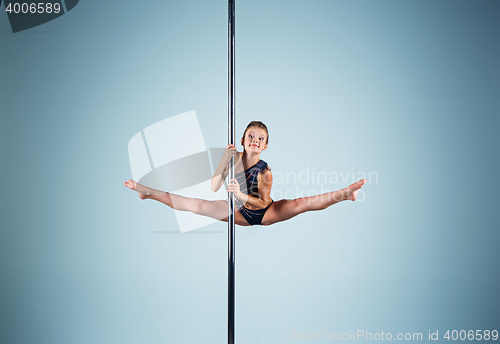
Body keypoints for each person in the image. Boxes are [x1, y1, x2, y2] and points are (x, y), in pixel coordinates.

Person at [124, 121, 366, 226]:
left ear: (265, 146)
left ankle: (345, 194)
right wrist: (222, 161)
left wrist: (239, 195)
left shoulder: (265, 171)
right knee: (197, 205)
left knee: (301, 203)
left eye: (260, 139)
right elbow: (213, 187)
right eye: (250, 136)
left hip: (266, 211)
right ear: (242, 140)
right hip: (240, 212)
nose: (255, 140)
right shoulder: (235, 158)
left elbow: (261, 202)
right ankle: (148, 193)